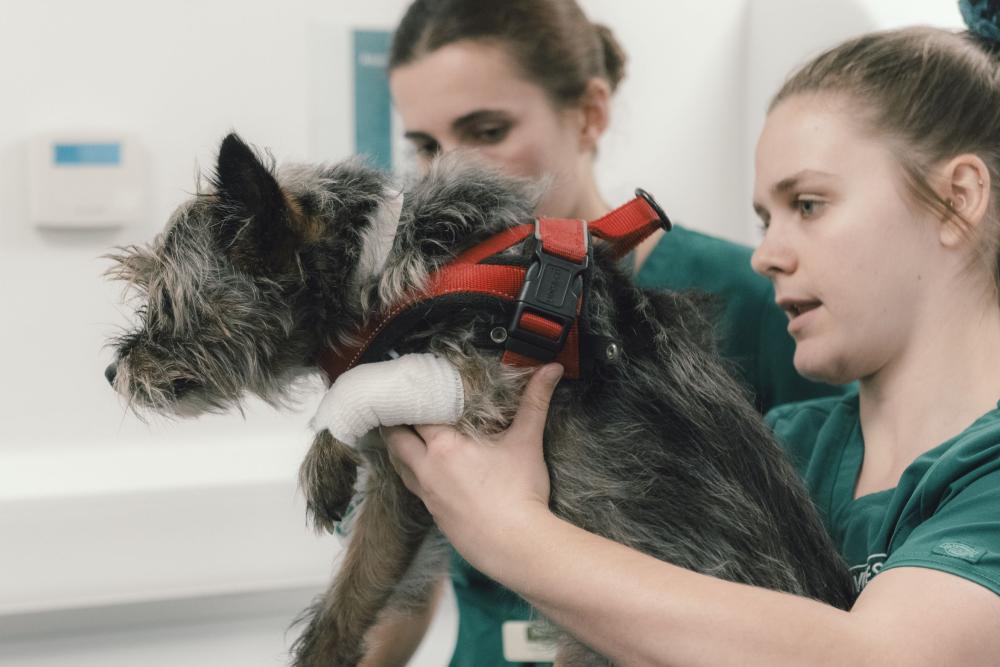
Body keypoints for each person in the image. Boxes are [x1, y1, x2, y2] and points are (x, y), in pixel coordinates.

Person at [379, 9, 1000, 666]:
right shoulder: (785, 444)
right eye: (765, 218)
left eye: (809, 204)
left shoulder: (978, 468)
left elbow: (877, 656)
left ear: (958, 198)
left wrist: (507, 529)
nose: (765, 255)